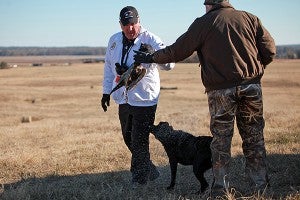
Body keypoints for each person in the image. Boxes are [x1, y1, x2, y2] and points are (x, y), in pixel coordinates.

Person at [134, 0, 276, 196]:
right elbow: (270, 50)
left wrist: (151, 57)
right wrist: (253, 70)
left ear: (208, 5)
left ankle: (221, 190)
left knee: (221, 142)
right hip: (251, 87)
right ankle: (260, 187)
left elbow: (178, 50)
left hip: (221, 91)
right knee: (254, 139)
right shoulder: (250, 18)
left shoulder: (205, 22)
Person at [101, 6, 175, 187]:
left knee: (139, 139)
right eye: (126, 25)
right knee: (128, 138)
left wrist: (153, 56)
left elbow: (170, 64)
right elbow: (108, 68)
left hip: (145, 99)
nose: (130, 28)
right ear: (120, 25)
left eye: (133, 23)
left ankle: (139, 181)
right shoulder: (114, 41)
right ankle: (150, 169)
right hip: (123, 97)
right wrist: (105, 92)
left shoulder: (152, 39)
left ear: (139, 21)